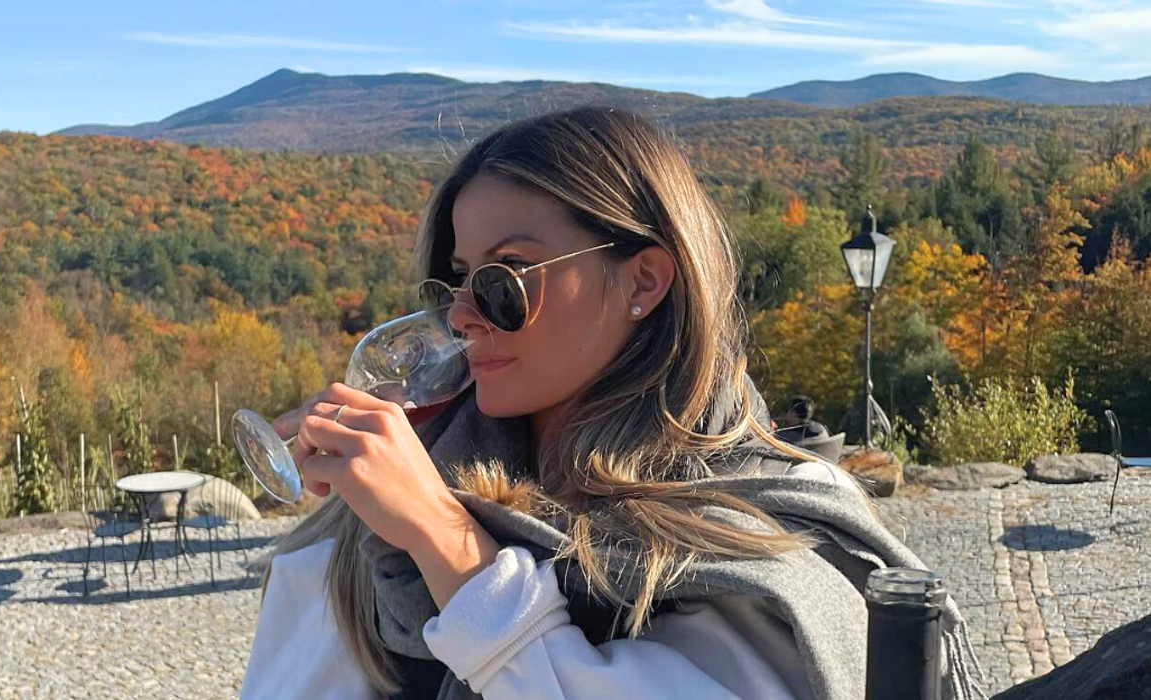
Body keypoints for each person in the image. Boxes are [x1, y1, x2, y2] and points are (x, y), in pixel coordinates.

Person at [240, 107, 985, 700]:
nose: (463, 318)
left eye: (506, 279)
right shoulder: (425, 479)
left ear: (642, 282)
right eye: (457, 281)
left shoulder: (762, 517)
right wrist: (370, 512)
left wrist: (442, 536)